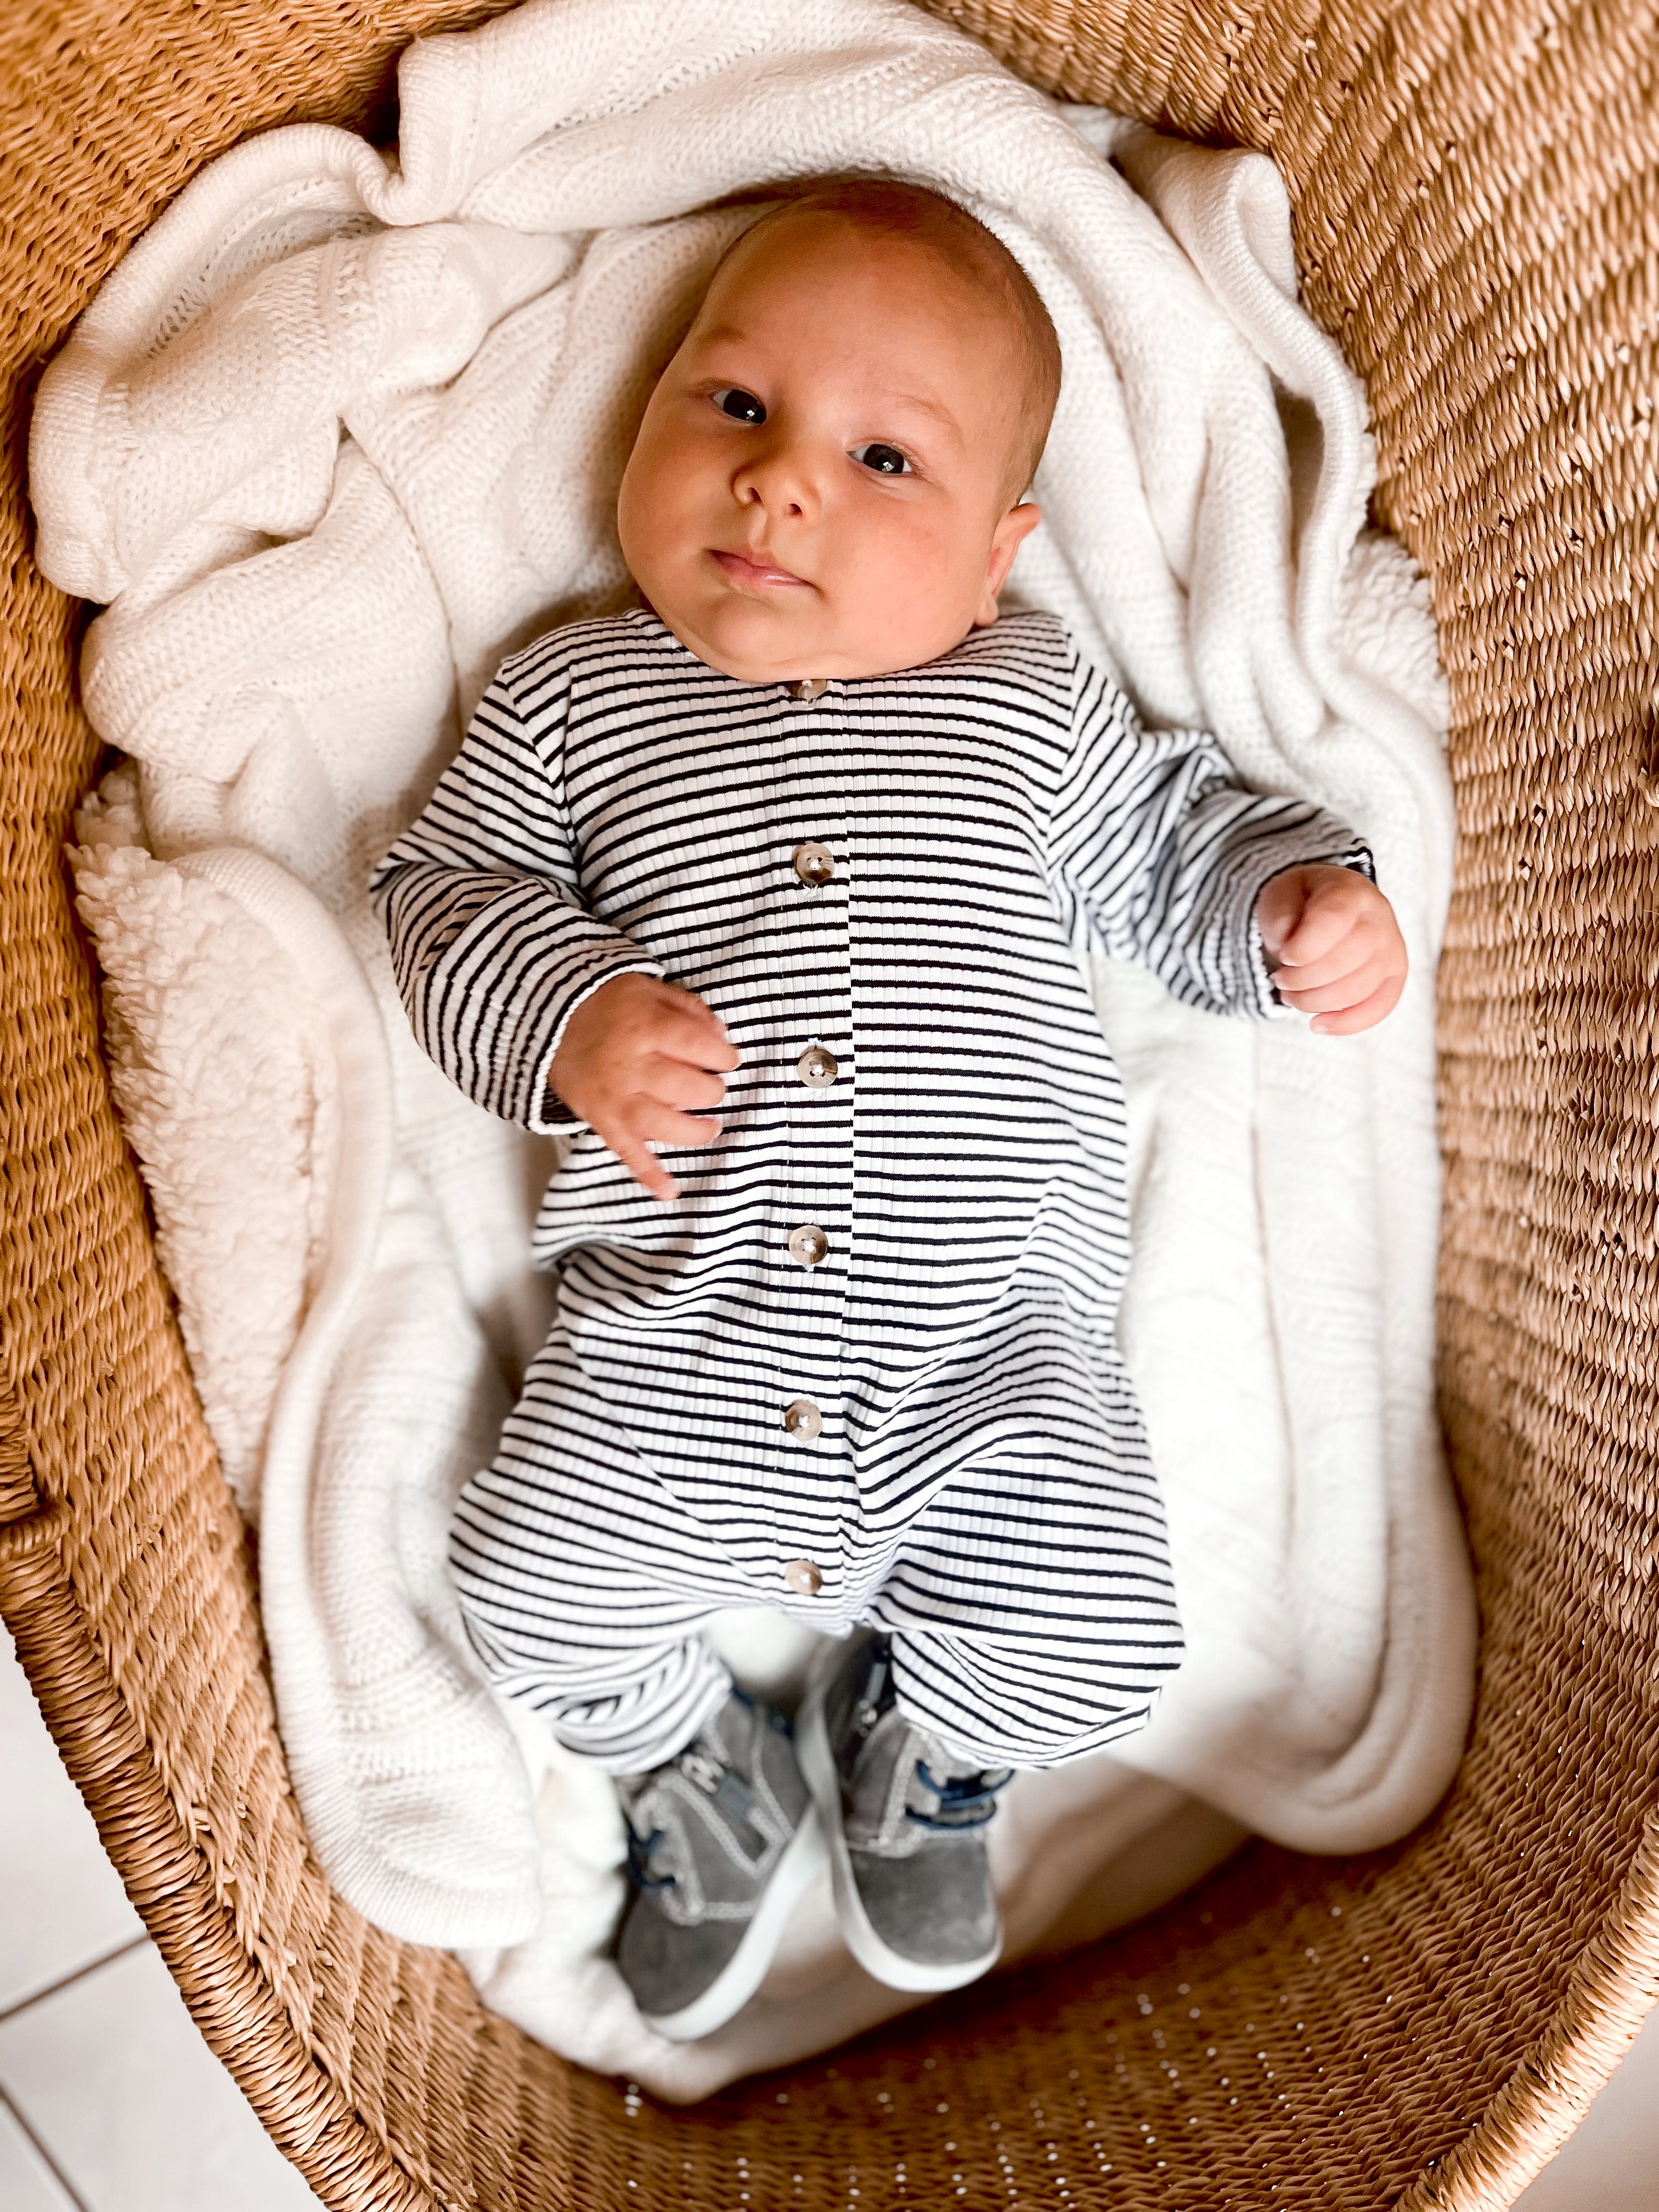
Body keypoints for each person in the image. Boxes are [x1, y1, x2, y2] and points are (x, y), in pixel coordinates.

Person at [372, 177, 1408, 2041]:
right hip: (678, 1347)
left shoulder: (1024, 703)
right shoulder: (572, 698)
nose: (783, 488)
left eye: (881, 458)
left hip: (989, 1361)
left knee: (1104, 1639)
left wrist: (1290, 909)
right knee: (524, 1593)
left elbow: (1175, 851)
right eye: (737, 408)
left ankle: (927, 1741)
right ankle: (701, 1762)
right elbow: (442, 898)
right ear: (645, 415)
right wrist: (572, 1010)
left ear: (1000, 551)